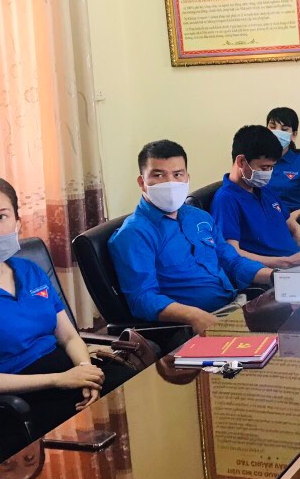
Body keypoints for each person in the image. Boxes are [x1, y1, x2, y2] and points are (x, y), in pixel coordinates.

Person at [0, 176, 131, 438]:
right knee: (94, 428)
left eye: (2, 216)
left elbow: (69, 336)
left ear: (17, 223)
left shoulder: (30, 271)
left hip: (64, 368)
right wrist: (59, 380)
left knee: (130, 386)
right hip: (18, 394)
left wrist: (85, 371)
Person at [109, 139, 273, 335]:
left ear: (187, 177)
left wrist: (275, 276)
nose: (170, 182)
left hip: (235, 306)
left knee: (295, 320)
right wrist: (193, 316)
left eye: (178, 174)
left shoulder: (199, 217)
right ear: (142, 182)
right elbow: (142, 298)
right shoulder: (134, 234)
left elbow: (232, 262)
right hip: (190, 326)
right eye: (158, 175)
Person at [211, 126, 300, 269]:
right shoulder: (226, 199)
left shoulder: (264, 189)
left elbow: (292, 226)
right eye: (264, 168)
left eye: (271, 167)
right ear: (241, 162)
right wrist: (286, 262)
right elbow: (232, 253)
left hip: (297, 265)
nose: (268, 173)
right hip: (274, 272)